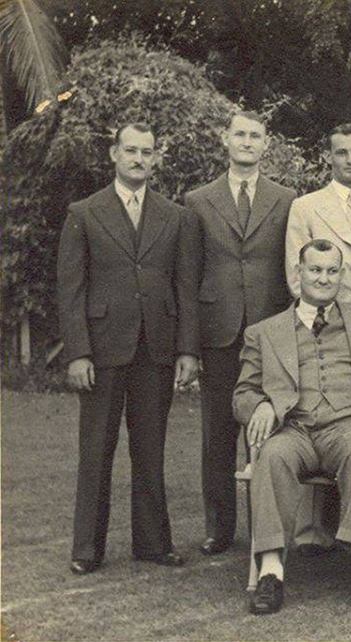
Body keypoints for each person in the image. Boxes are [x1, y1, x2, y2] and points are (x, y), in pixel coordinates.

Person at [57, 122, 199, 574]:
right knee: (96, 448)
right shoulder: (84, 212)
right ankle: (86, 549)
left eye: (147, 152)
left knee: (150, 448)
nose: (139, 159)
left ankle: (154, 544)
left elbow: (185, 288)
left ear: (156, 158)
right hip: (101, 350)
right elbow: (70, 289)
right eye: (131, 151)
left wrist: (187, 350)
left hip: (155, 348)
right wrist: (77, 352)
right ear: (114, 154)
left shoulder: (175, 216)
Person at [233, 239, 351, 615]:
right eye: (315, 270)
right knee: (271, 456)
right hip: (294, 429)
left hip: (347, 424)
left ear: (342, 275)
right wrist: (263, 404)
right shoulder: (264, 332)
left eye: (332, 270)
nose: (323, 278)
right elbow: (242, 393)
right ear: (298, 273)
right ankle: (271, 571)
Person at [184, 110, 297, 556]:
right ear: (225, 140)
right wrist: (189, 348)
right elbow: (189, 278)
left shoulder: (286, 198)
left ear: (266, 144)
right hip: (219, 331)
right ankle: (219, 528)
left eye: (255, 136)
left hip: (270, 331)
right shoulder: (198, 200)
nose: (247, 142)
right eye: (240, 135)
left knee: (271, 430)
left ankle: (268, 529)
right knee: (218, 433)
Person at [285, 123, 351, 303]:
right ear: (327, 157)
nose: (350, 160)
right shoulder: (305, 207)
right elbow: (296, 275)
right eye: (341, 153)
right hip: (326, 321)